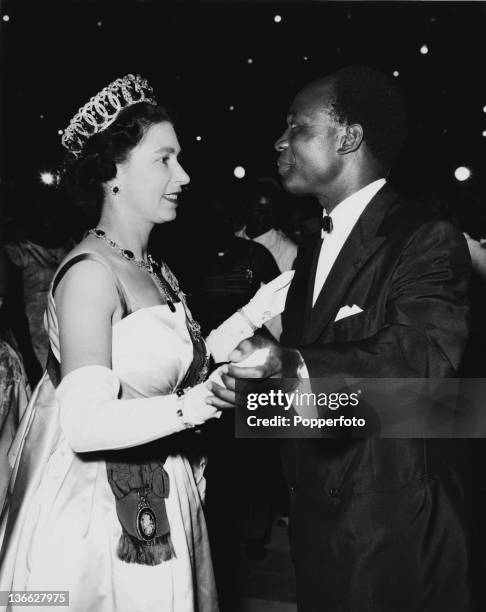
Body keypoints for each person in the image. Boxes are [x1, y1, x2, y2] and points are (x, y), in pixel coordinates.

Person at [0, 74, 293, 612]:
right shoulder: (91, 273)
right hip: (98, 519)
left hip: (165, 480)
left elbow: (177, 366)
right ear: (112, 171)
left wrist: (259, 308)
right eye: (164, 159)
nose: (182, 175)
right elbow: (86, 425)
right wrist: (203, 403)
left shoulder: (150, 266)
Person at [214, 66, 476, 610]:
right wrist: (250, 402)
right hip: (319, 529)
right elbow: (325, 405)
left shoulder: (425, 235)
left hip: (392, 531)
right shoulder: (311, 249)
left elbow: (422, 365)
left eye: (297, 126)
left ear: (348, 137)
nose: (280, 141)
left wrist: (287, 368)